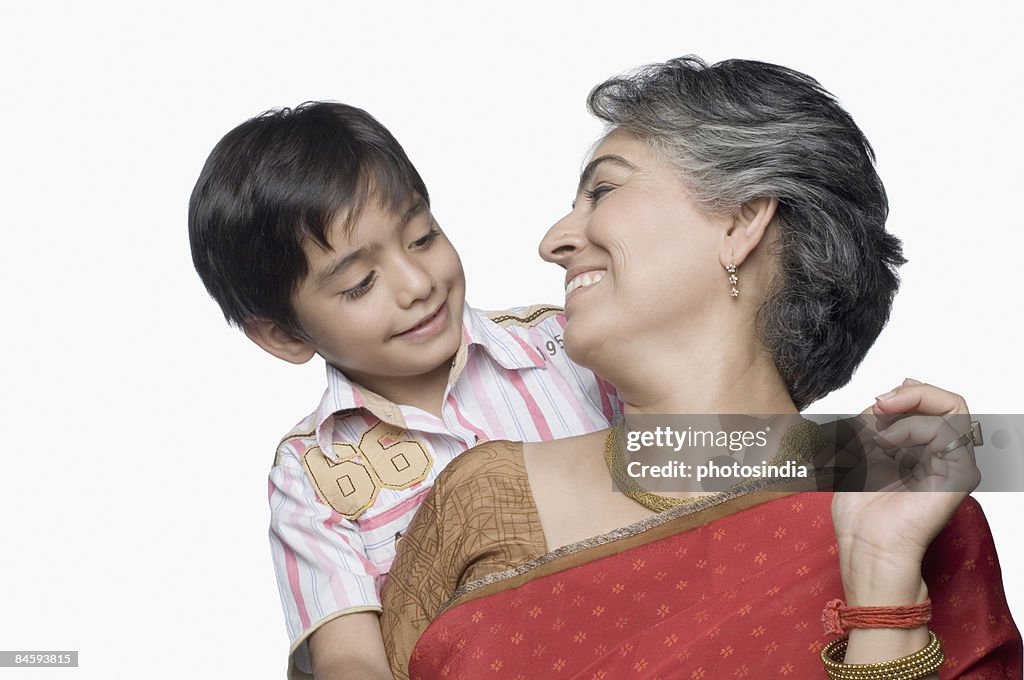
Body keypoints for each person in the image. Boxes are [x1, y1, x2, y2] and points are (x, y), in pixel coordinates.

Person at [379, 57, 1021, 679]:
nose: (552, 242)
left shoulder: (909, 506)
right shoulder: (483, 501)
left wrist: (883, 593)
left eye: (603, 189)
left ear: (741, 222)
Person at [188, 103, 619, 680]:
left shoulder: (564, 345)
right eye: (360, 284)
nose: (418, 285)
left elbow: (711, 453)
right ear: (283, 334)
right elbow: (350, 658)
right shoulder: (312, 474)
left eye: (422, 238)